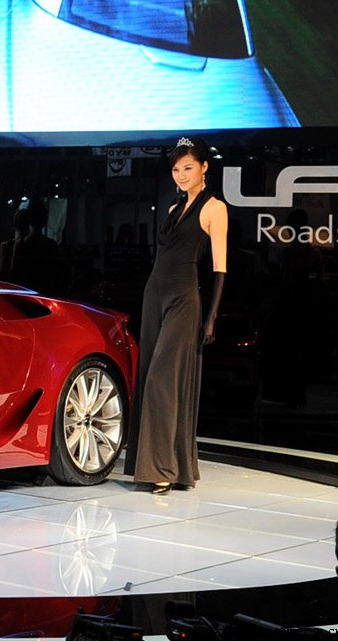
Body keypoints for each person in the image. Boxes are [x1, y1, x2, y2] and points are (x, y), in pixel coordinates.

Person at [124, 137, 227, 495]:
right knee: (147, 376)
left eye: (188, 168)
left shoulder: (214, 208)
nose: (181, 175)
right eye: (176, 169)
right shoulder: (172, 208)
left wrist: (211, 317)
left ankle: (163, 467)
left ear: (204, 168)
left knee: (162, 380)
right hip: (154, 295)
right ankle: (161, 466)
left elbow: (220, 268)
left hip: (185, 299)